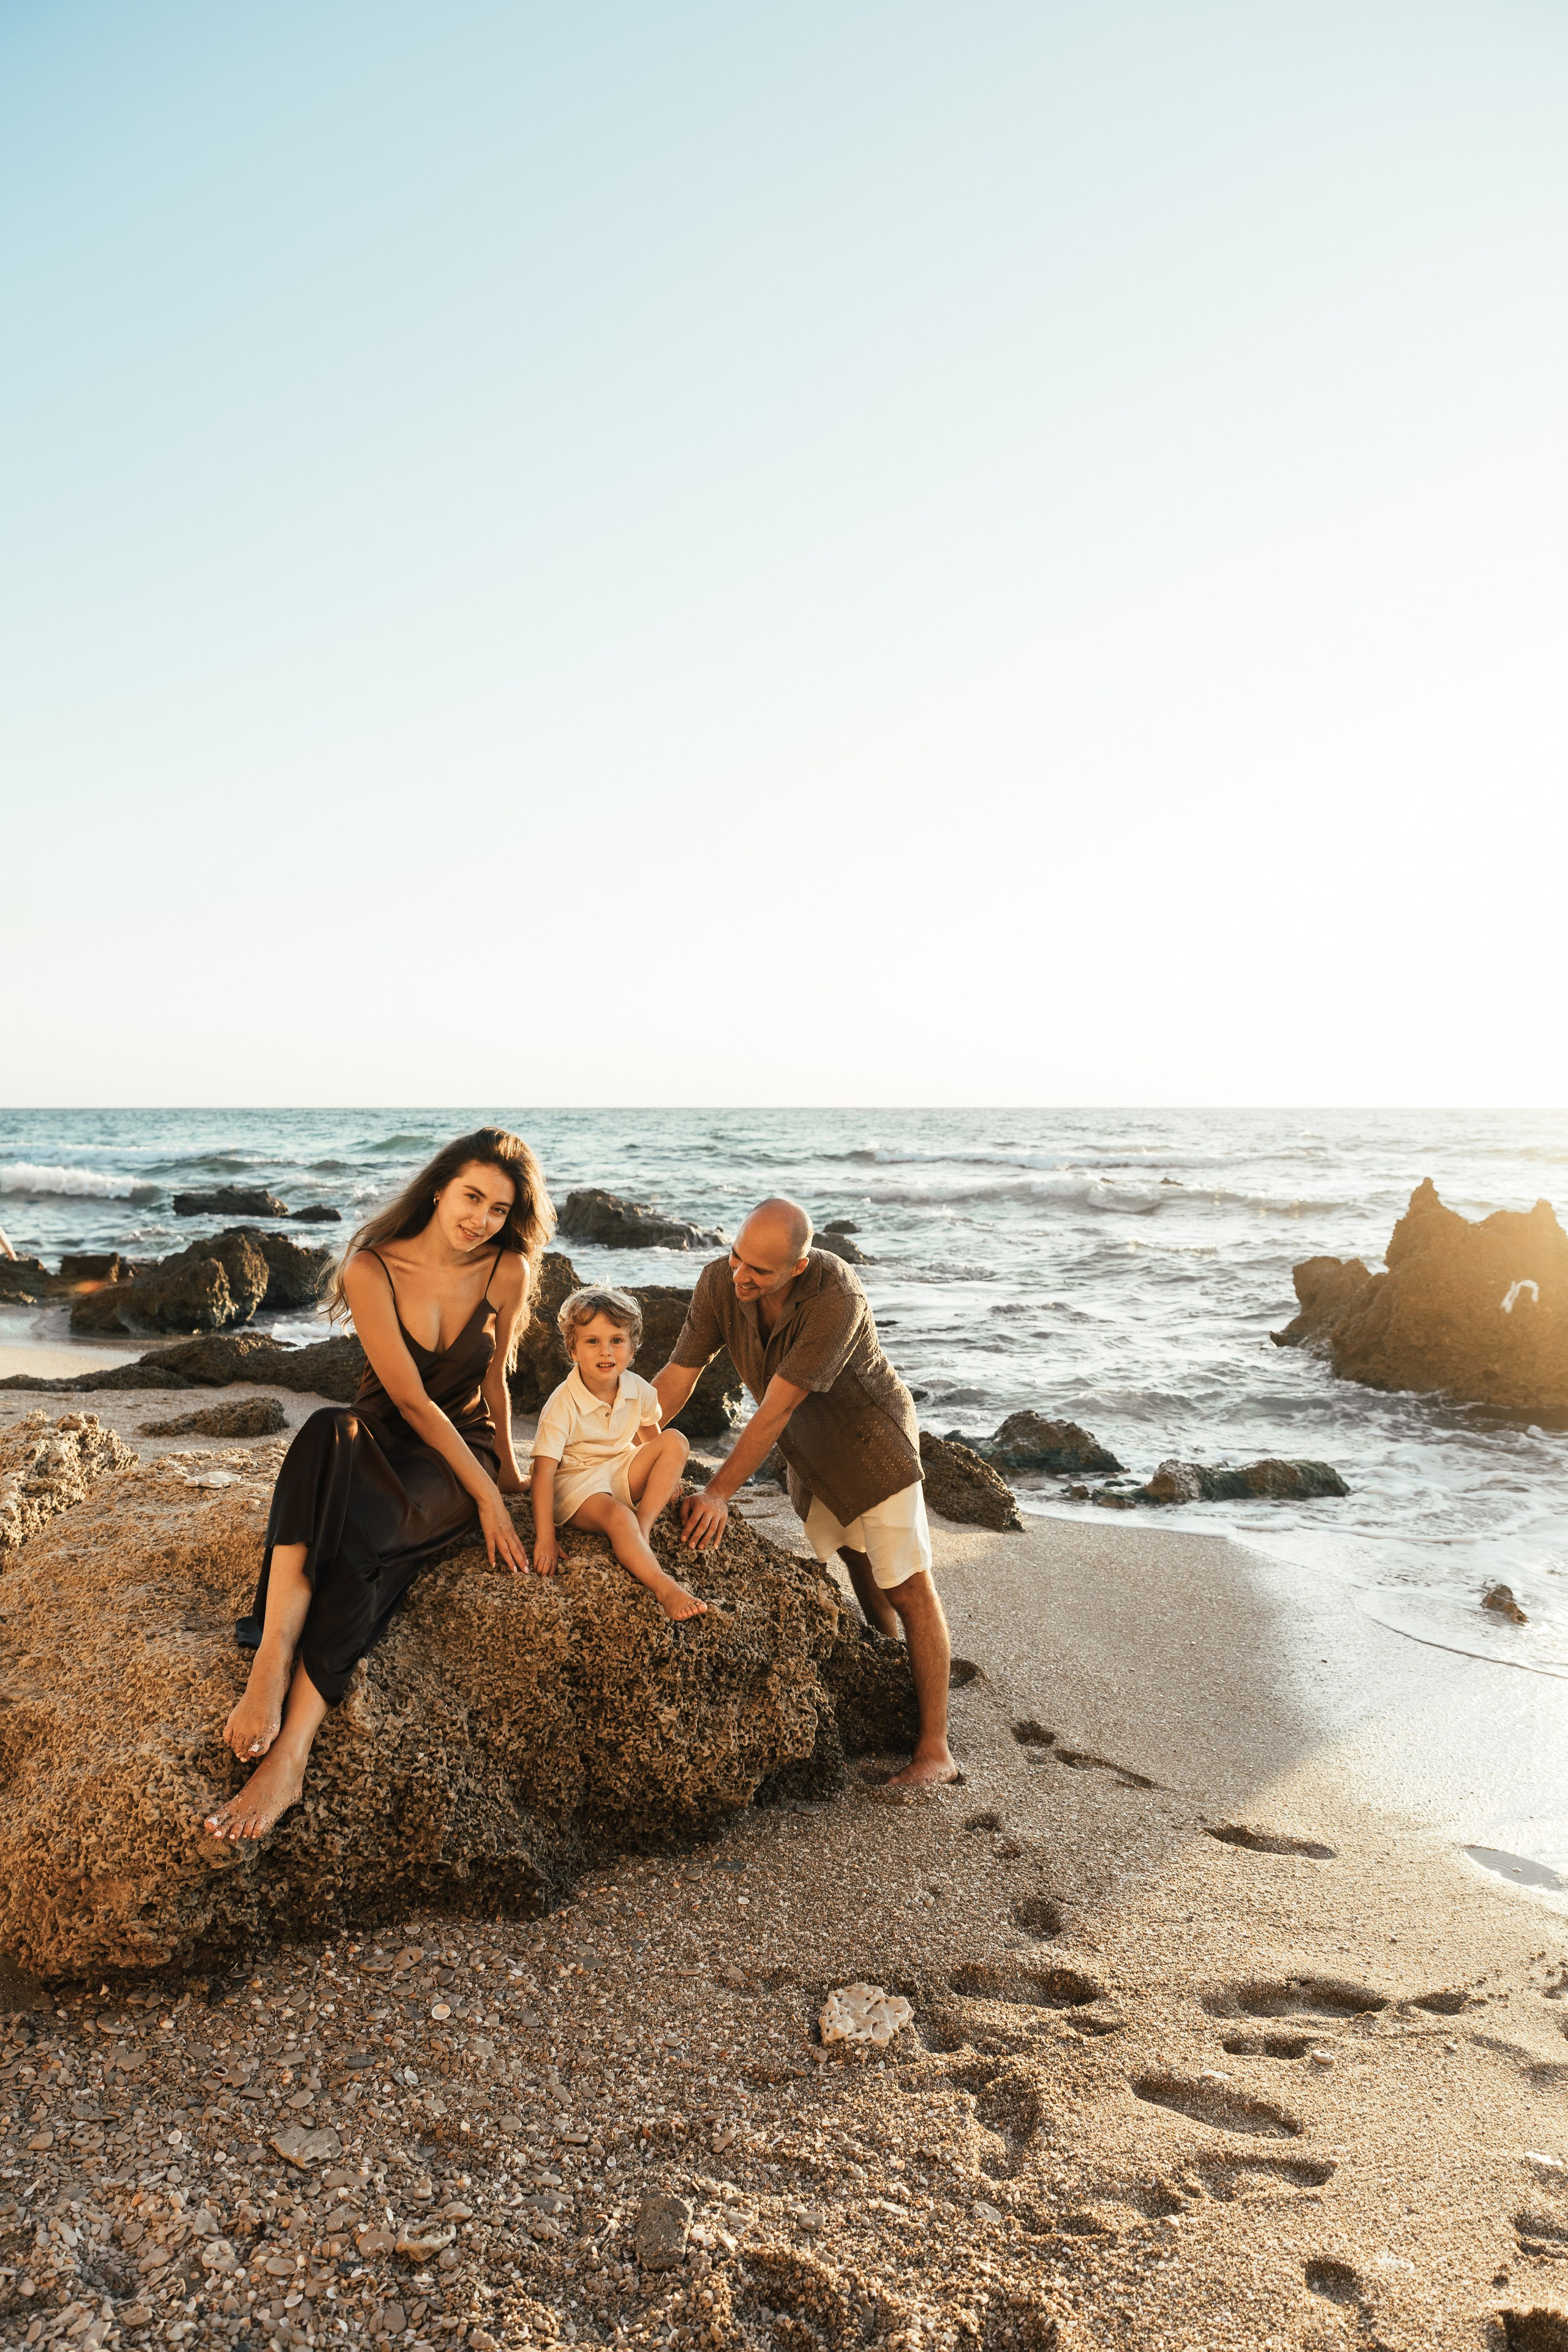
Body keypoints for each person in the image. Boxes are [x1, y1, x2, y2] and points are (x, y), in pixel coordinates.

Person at [204, 1126, 552, 1842]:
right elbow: (409, 1403)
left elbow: (495, 1379)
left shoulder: (507, 1269)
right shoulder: (371, 1267)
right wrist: (493, 1500)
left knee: (361, 1540)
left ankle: (293, 1749)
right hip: (380, 1435)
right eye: (472, 1196)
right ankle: (272, 1656)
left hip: (459, 1453)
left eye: (498, 1208)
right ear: (439, 1186)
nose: (481, 1219)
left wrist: (504, 1476)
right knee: (325, 1429)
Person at [651, 1196, 957, 1787]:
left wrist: (716, 1494)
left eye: (758, 1271)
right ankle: (894, 1674)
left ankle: (935, 1749)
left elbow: (773, 1410)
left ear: (797, 1265)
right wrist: (623, 1442)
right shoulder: (721, 1281)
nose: (741, 1276)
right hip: (809, 1454)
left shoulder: (834, 1297)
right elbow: (678, 1375)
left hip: (872, 1446)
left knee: (909, 1583)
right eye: (737, 1257)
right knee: (857, 1562)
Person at [530, 1286, 704, 1621]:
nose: (605, 1351)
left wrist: (662, 1475)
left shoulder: (637, 1388)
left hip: (618, 1467)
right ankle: (664, 1587)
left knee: (676, 1440)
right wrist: (545, 1538)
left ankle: (644, 1528)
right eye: (592, 1341)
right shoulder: (563, 1403)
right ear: (573, 1348)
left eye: (617, 1341)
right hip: (576, 1486)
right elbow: (543, 1472)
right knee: (618, 1517)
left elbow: (651, 1435)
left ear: (632, 1347)